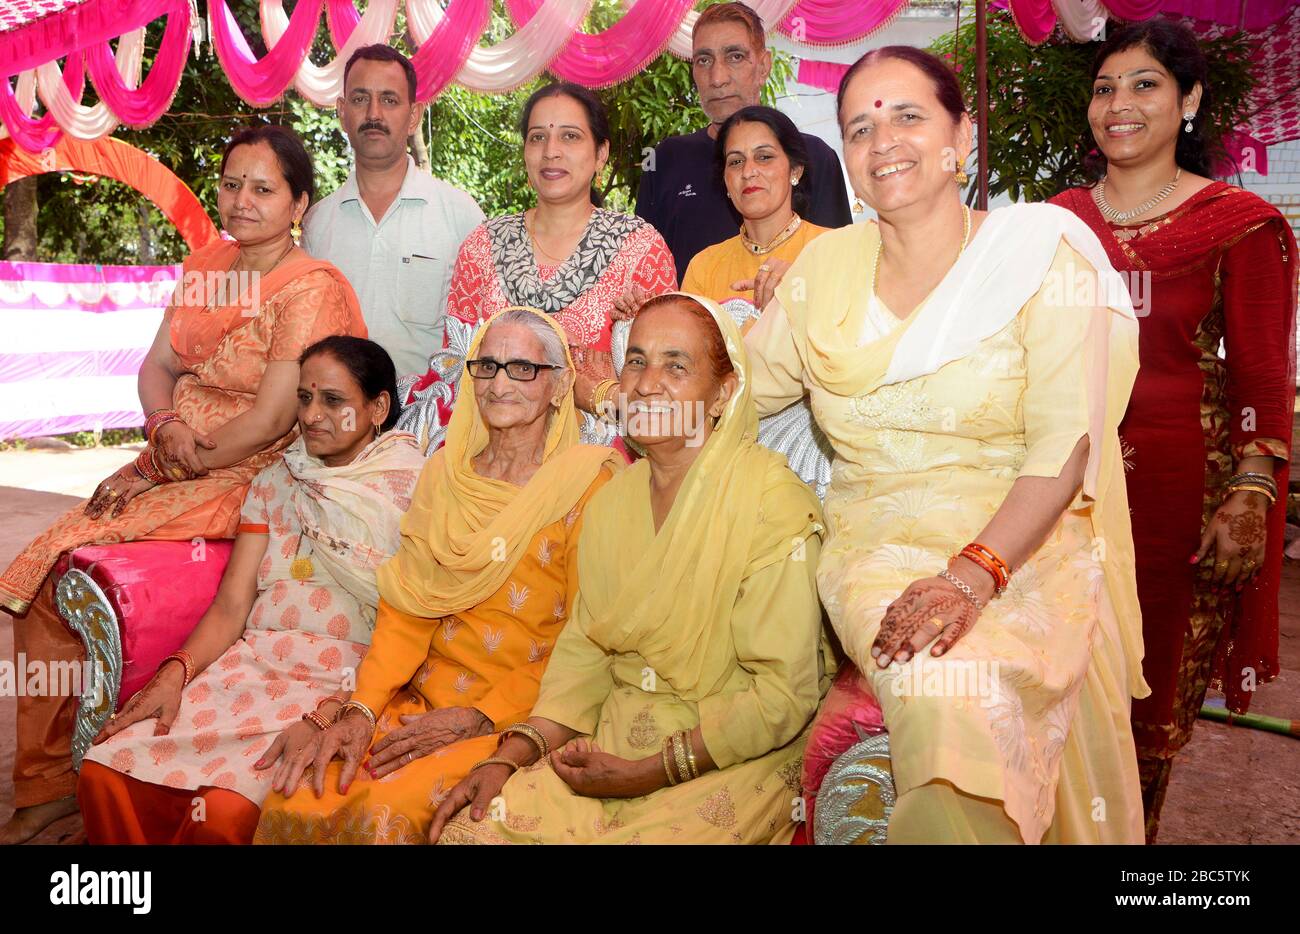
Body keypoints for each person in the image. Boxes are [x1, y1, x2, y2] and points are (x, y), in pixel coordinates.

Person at [745, 46, 1148, 843]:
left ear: (960, 136)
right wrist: (622, 385)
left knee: (975, 679)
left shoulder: (1039, 252)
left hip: (1022, 544)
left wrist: (974, 574)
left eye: (907, 115)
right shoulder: (821, 270)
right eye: (859, 127)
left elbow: (1064, 446)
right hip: (879, 548)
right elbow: (739, 394)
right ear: (847, 161)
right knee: (939, 688)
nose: (882, 139)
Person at [0, 125, 366, 845]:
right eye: (232, 184)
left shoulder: (310, 288)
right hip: (173, 452)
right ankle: (48, 784)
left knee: (64, 556)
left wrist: (165, 465)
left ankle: (92, 768)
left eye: (264, 189)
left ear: (299, 203)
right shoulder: (208, 265)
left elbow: (267, 422)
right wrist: (162, 424)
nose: (242, 201)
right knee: (50, 574)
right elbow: (156, 365)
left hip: (246, 475)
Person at [430, 293, 828, 845]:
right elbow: (582, 659)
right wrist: (508, 757)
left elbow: (783, 695)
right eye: (636, 361)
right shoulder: (613, 501)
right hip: (611, 738)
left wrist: (649, 772)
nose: (645, 384)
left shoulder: (770, 504)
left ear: (724, 393)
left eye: (675, 365)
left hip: (728, 753)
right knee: (467, 834)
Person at [1049, 20, 1296, 842]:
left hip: (1177, 499)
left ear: (1188, 100)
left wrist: (1252, 491)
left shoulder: (1235, 221)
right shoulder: (1057, 223)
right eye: (1104, 87)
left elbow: (1262, 372)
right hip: (1056, 491)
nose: (1119, 104)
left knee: (1142, 712)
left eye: (1144, 84)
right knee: (1048, 692)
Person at [254, 308, 620, 843]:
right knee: (303, 797)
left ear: (560, 386)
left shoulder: (591, 483)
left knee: (385, 817)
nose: (499, 383)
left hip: (525, 711)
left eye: (523, 369)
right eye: (487, 366)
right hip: (423, 699)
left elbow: (586, 642)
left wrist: (483, 715)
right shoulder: (444, 475)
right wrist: (360, 708)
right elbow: (407, 612)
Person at [75, 338, 422, 844]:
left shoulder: (413, 488)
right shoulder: (275, 481)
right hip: (252, 668)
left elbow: (413, 622)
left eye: (333, 400)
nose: (312, 415)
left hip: (348, 680)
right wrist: (174, 675)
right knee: (106, 770)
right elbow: (233, 604)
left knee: (222, 812)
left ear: (378, 408)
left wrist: (330, 714)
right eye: (304, 398)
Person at [401, 82, 676, 445]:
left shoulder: (641, 247)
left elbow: (667, 378)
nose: (551, 152)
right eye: (537, 138)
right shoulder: (483, 245)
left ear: (601, 153)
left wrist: (626, 339)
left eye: (570, 136)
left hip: (601, 460)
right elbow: (454, 362)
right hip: (489, 451)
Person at [304, 45, 484, 379]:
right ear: (342, 111)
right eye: (359, 99)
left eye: (389, 100)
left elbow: (483, 338)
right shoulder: (317, 223)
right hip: (335, 422)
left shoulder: (461, 216)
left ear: (414, 115)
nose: (374, 114)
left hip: (431, 423)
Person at [636, 2, 850, 283]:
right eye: (703, 60)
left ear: (763, 66)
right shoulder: (665, 160)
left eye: (735, 56)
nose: (718, 78)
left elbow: (841, 272)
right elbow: (646, 276)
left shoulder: (812, 156)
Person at [681, 105, 830, 315]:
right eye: (736, 161)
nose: (748, 171)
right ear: (725, 180)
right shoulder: (704, 267)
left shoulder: (834, 250)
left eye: (764, 157)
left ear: (795, 170)